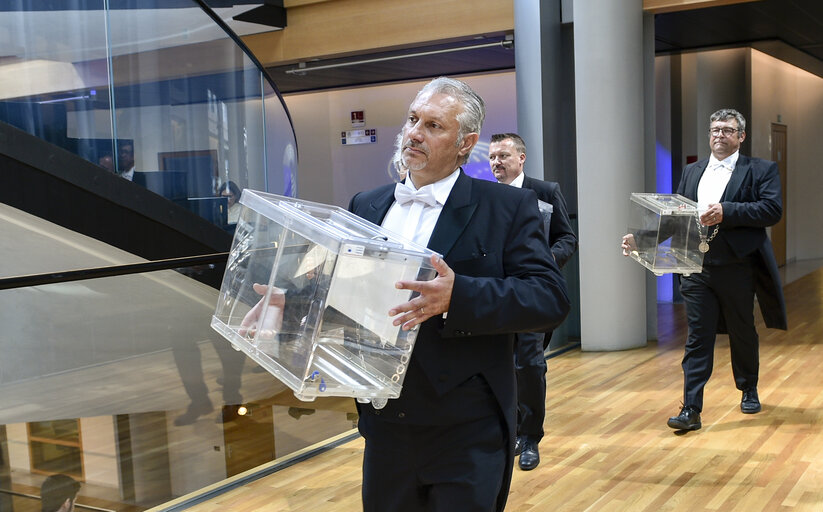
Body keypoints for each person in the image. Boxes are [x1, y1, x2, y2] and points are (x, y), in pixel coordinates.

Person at [348, 77, 570, 511]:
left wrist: (459, 296)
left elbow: (549, 298)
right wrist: (298, 302)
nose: (414, 133)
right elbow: (347, 287)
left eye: (433, 126)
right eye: (413, 120)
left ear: (466, 142)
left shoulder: (507, 207)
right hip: (385, 424)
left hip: (468, 428)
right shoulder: (366, 205)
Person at [621, 108, 787, 431]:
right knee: (698, 336)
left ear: (741, 136)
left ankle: (748, 387)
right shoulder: (692, 171)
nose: (719, 135)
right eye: (714, 130)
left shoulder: (761, 170)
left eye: (727, 130)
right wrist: (642, 239)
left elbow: (771, 209)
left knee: (742, 330)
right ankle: (691, 408)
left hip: (738, 266)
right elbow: (676, 217)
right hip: (695, 266)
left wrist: (726, 210)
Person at [488, 132, 577, 470]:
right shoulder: (488, 195)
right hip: (498, 293)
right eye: (493, 157)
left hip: (534, 292)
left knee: (530, 364)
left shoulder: (545, 191)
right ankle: (508, 431)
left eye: (504, 156)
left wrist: (546, 262)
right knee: (502, 364)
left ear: (521, 158)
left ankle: (530, 437)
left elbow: (567, 238)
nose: (497, 162)